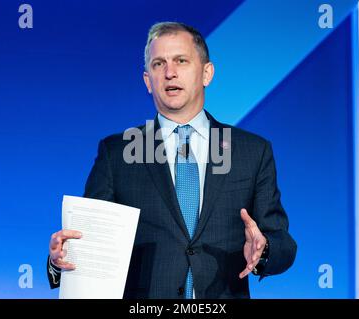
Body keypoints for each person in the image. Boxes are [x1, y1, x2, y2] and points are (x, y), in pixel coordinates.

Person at [47, 22, 297, 299]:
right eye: (158, 64)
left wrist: (265, 251)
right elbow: (89, 242)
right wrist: (60, 260)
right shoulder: (116, 153)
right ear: (147, 81)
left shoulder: (253, 151)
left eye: (181, 60)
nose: (169, 73)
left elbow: (282, 243)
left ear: (206, 73)